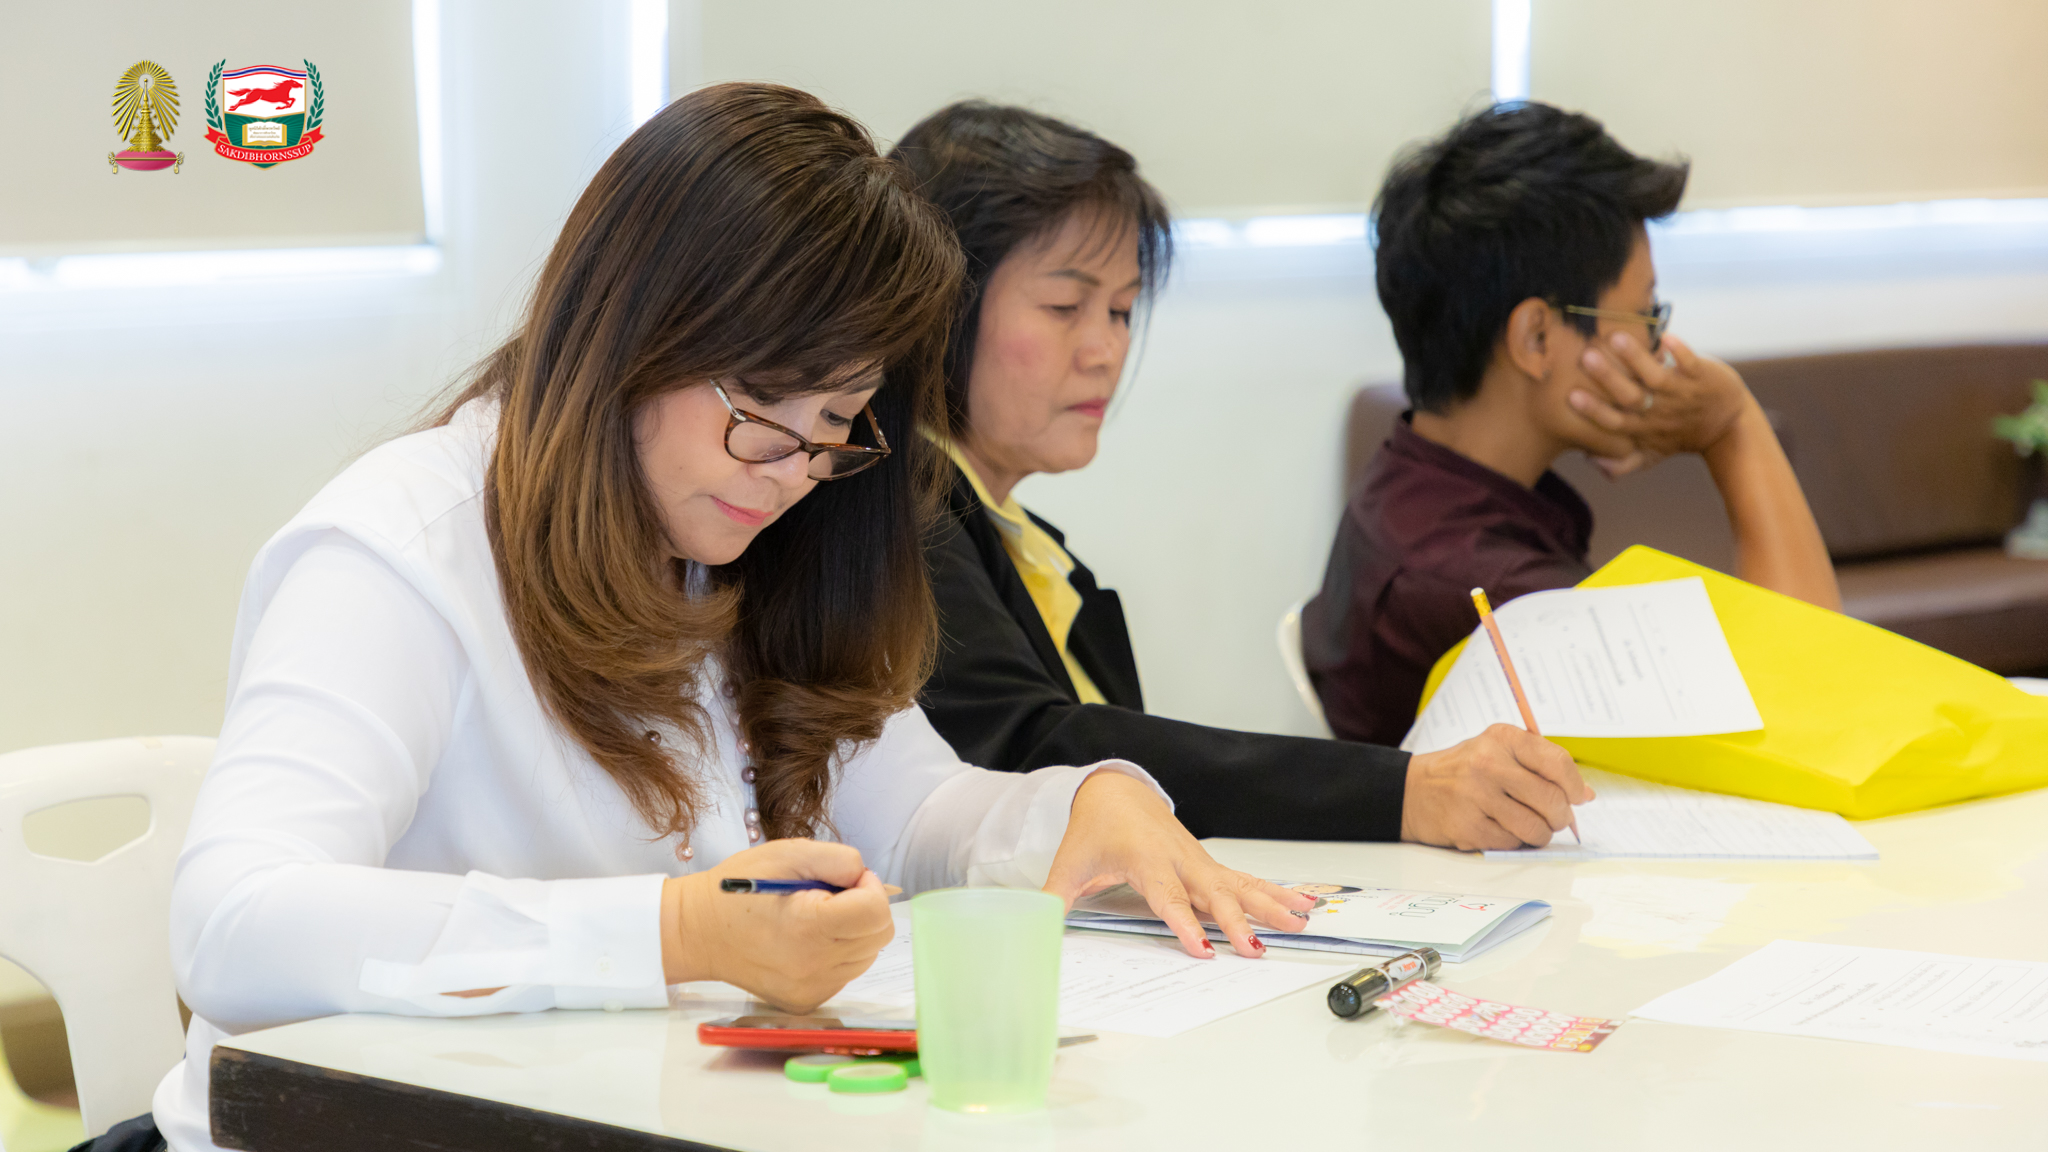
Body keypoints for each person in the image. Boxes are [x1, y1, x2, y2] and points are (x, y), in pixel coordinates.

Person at [122, 85, 1314, 1152]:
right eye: (763, 404)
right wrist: (674, 932)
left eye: (836, 419)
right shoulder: (400, 551)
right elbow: (235, 922)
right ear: (634, 331)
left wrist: (1078, 803)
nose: (791, 468)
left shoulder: (755, 535)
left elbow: (914, 811)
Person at [890, 101, 1591, 853]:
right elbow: (1040, 753)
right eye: (1066, 305)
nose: (1105, 349)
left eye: (1122, 310)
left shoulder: (1020, 539)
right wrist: (1404, 793)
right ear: (939, 300)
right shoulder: (900, 513)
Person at [1304, 103, 1842, 749]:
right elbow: (1809, 699)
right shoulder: (1497, 599)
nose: (1660, 349)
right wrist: (1733, 427)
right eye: (1646, 316)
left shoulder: (1408, 483)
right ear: (1536, 337)